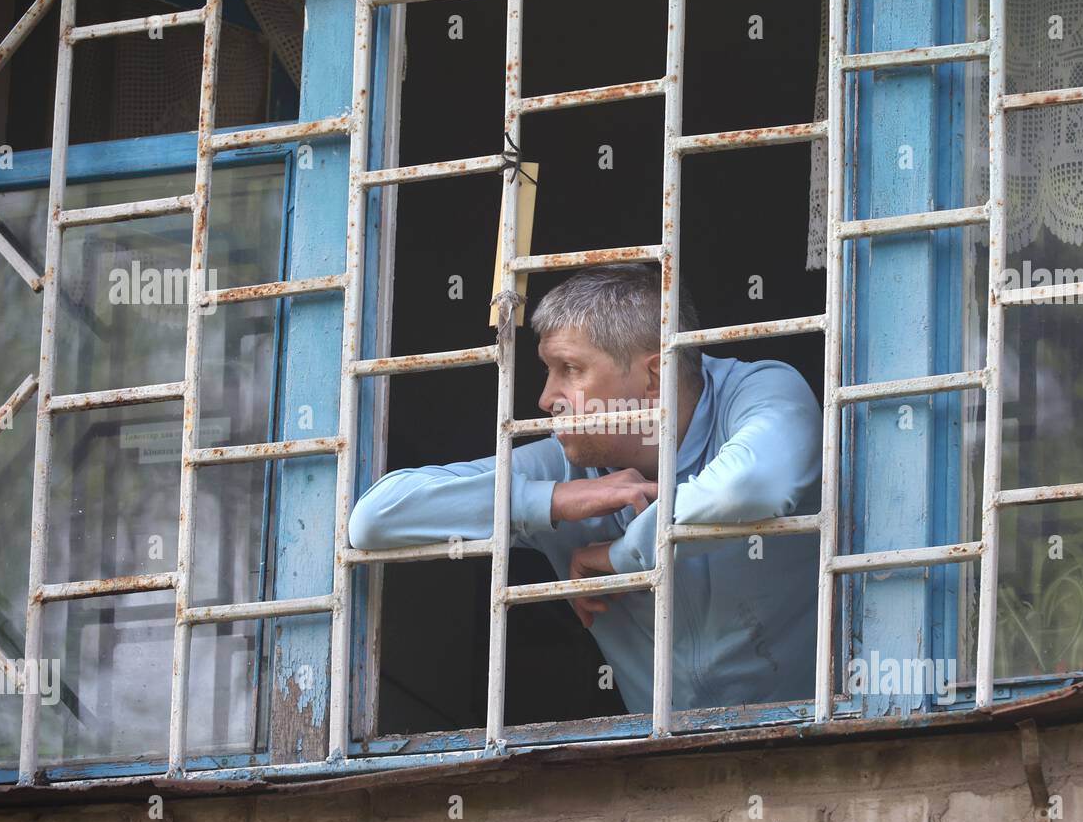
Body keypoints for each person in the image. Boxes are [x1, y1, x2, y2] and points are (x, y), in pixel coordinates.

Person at [348, 263, 823, 714]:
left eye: (569, 369)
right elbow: (374, 519)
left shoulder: (760, 391)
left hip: (826, 739)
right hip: (671, 767)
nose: (545, 398)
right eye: (547, 370)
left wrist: (621, 557)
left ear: (653, 377)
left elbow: (750, 486)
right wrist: (549, 500)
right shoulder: (565, 467)